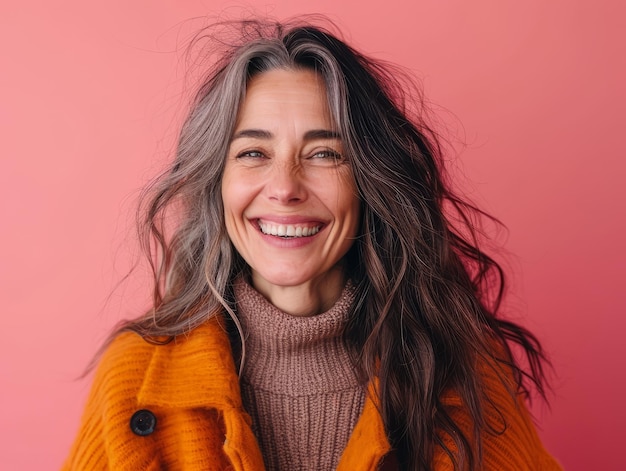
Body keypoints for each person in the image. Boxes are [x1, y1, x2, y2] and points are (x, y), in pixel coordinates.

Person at [63, 18, 562, 471]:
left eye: (324, 153)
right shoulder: (135, 378)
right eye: (254, 152)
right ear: (216, 181)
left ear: (370, 180)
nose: (285, 187)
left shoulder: (462, 371)